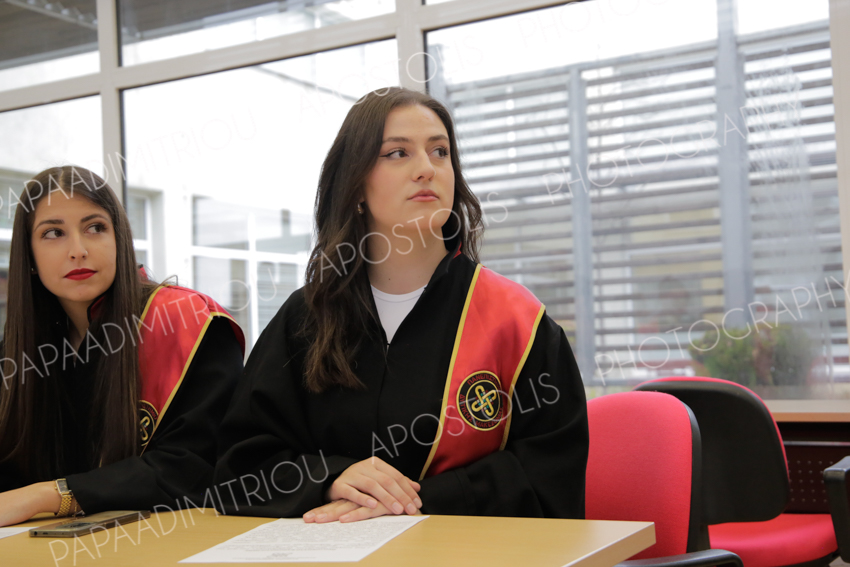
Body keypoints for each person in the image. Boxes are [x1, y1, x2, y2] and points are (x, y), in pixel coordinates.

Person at [214, 87, 588, 522]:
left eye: (440, 151)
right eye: (398, 153)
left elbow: (551, 479)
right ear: (355, 184)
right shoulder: (306, 319)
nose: (427, 168)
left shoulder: (516, 322)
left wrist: (411, 504)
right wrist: (329, 478)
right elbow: (238, 467)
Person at [0, 166, 245, 526]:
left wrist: (49, 495)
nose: (78, 251)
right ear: (30, 257)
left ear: (120, 239)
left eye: (95, 228)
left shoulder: (185, 320)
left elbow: (195, 467)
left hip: (175, 537)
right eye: (53, 233)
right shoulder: (21, 349)